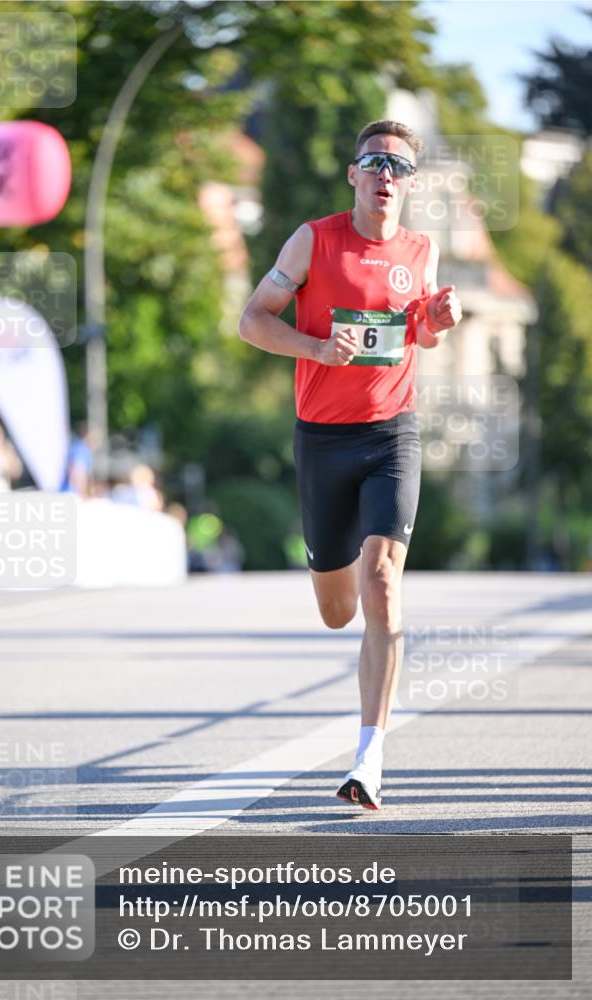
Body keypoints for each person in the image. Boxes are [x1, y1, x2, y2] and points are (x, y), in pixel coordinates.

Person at [239, 120, 462, 810]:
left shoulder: (420, 250)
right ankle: (342, 611)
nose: (385, 174)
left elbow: (414, 332)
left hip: (391, 434)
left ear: (408, 183)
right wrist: (313, 347)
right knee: (339, 610)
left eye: (397, 166)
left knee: (383, 583)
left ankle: (369, 759)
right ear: (353, 174)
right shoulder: (314, 239)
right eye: (374, 162)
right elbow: (252, 320)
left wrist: (438, 322)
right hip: (322, 441)